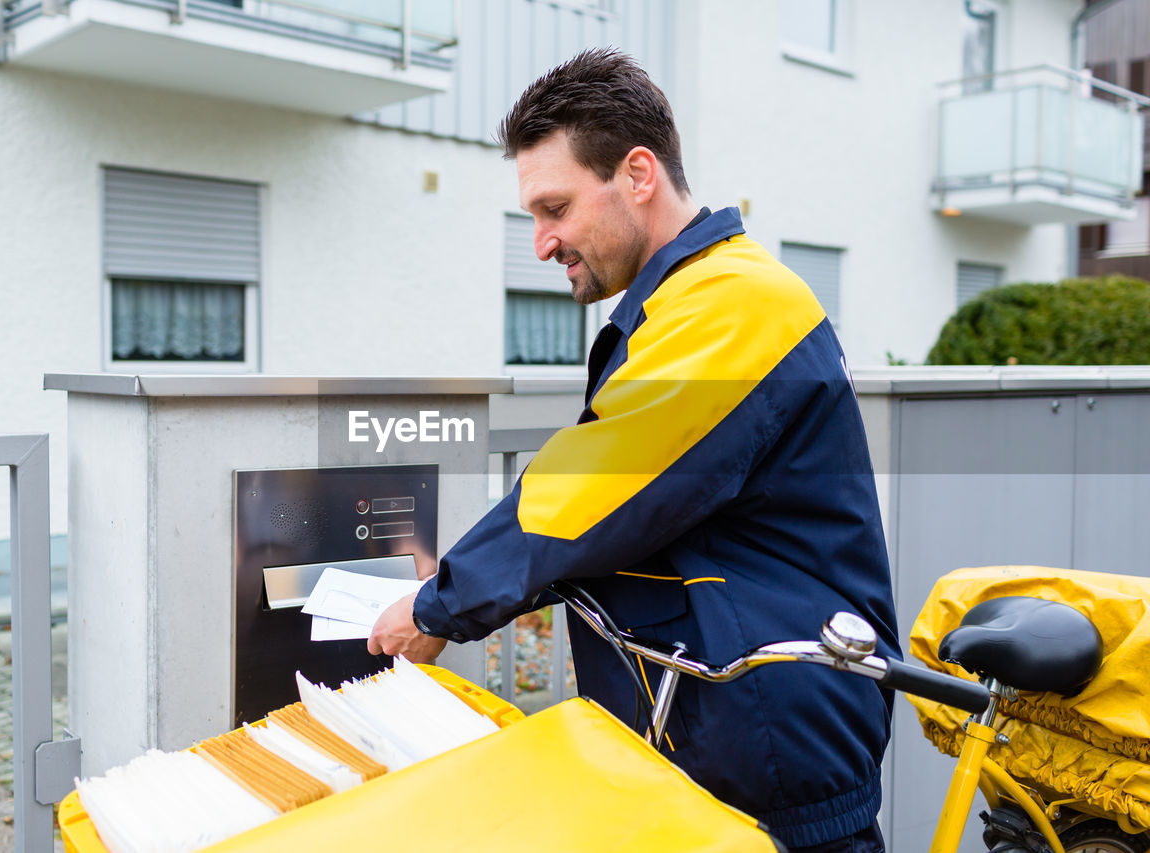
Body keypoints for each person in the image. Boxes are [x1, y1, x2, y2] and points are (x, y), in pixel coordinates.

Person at [369, 47, 900, 852]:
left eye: (555, 208)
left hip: (770, 751)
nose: (542, 243)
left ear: (639, 174)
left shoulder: (735, 304)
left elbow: (597, 490)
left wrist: (441, 604)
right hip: (731, 729)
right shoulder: (693, 301)